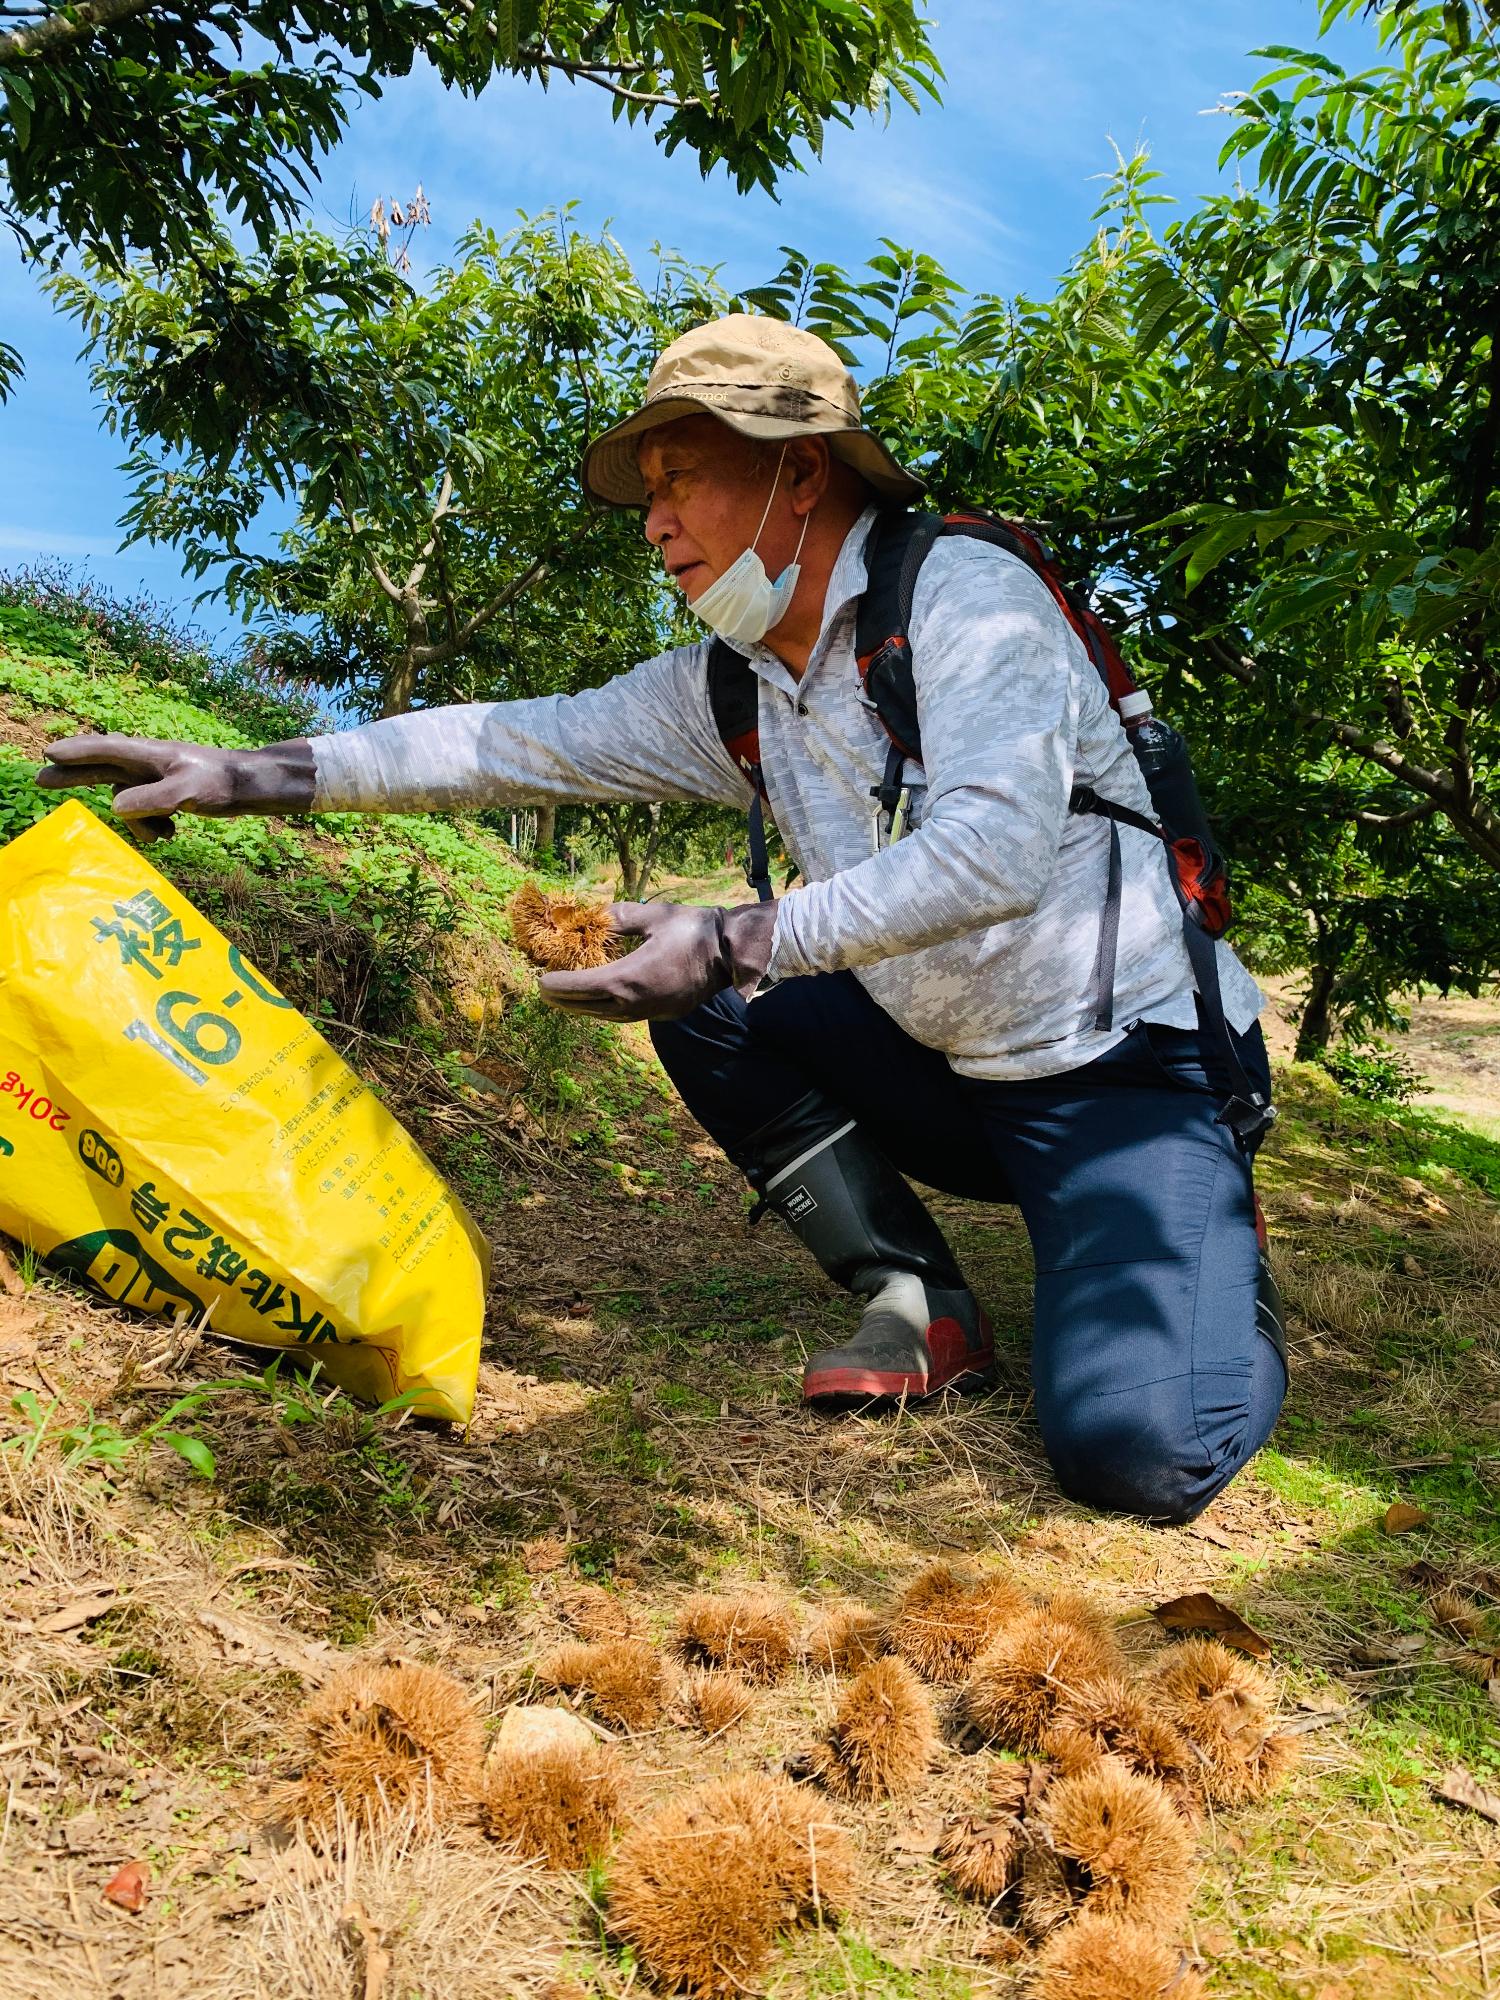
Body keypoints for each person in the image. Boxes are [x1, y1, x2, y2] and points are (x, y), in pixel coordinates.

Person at [37, 314, 1287, 1524]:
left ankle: (1208, 1238)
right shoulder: (739, 679)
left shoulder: (970, 598)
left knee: (1140, 1450)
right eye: (648, 490)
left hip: (1123, 1070)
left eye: (681, 476)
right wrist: (246, 771)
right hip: (950, 1065)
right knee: (704, 1008)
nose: (654, 521)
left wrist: (741, 934)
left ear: (798, 472)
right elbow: (509, 740)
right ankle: (916, 1298)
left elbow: (995, 854)